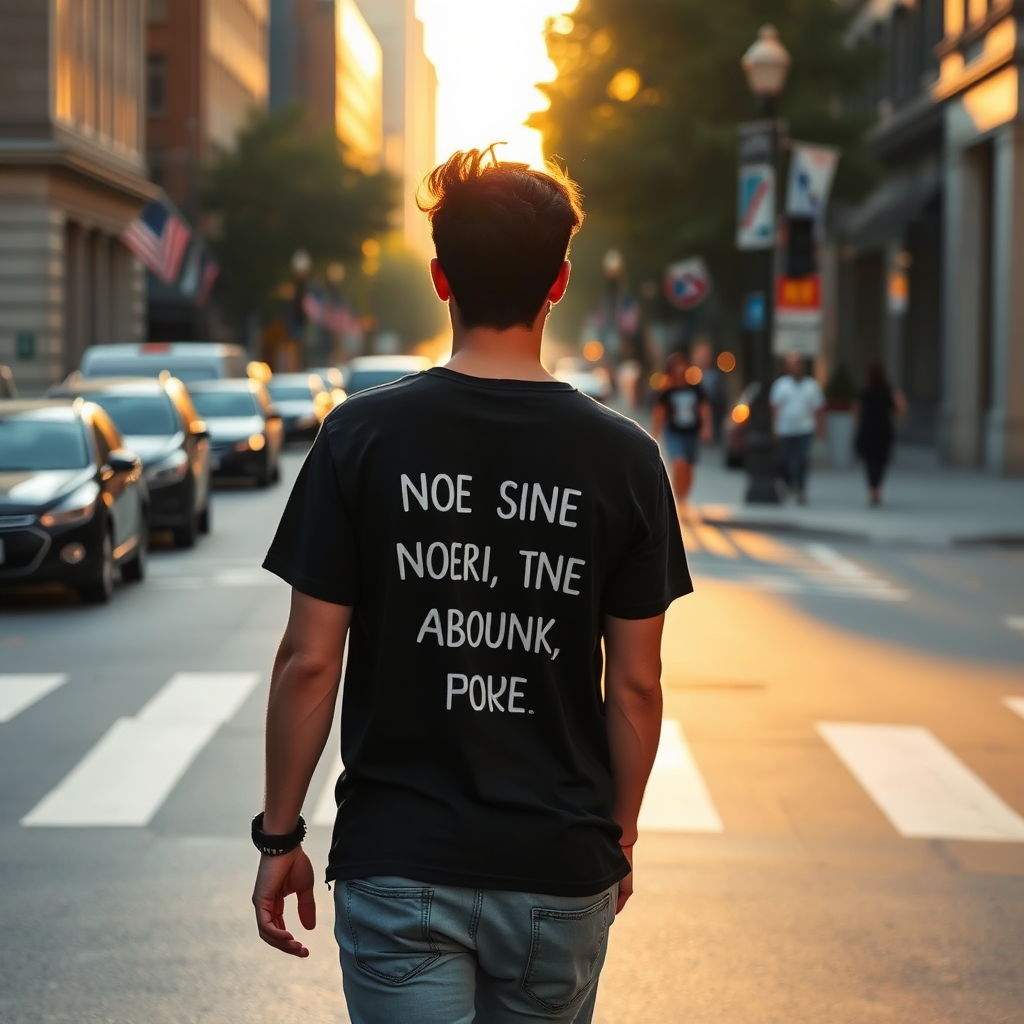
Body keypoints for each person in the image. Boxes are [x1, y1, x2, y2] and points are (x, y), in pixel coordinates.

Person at [251, 147, 693, 1024]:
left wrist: (280, 834)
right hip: (558, 865)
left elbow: (309, 660)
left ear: (440, 277)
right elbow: (636, 684)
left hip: (398, 859)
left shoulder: (360, 438)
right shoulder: (626, 458)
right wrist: (620, 832)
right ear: (559, 282)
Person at [652, 351, 712, 505]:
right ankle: (678, 497)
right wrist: (655, 434)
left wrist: (706, 427)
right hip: (674, 433)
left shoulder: (695, 389)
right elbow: (659, 413)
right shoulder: (667, 391)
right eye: (676, 366)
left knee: (689, 469)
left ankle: (683, 496)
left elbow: (704, 408)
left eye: (682, 365)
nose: (680, 369)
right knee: (679, 463)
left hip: (691, 433)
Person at [769, 351, 825, 504]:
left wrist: (821, 430)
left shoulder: (811, 386)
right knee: (783, 460)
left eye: (799, 364)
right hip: (785, 429)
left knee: (802, 460)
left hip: (805, 429)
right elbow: (775, 408)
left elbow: (818, 409)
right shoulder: (780, 385)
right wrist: (774, 427)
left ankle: (801, 490)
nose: (796, 367)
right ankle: (788, 484)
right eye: (793, 364)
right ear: (787, 367)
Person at [854, 362, 906, 506]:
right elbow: (901, 408)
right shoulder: (889, 390)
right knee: (881, 461)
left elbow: (857, 410)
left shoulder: (864, 390)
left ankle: (873, 490)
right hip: (883, 430)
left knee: (870, 462)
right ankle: (877, 489)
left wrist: (857, 426)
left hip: (868, 430)